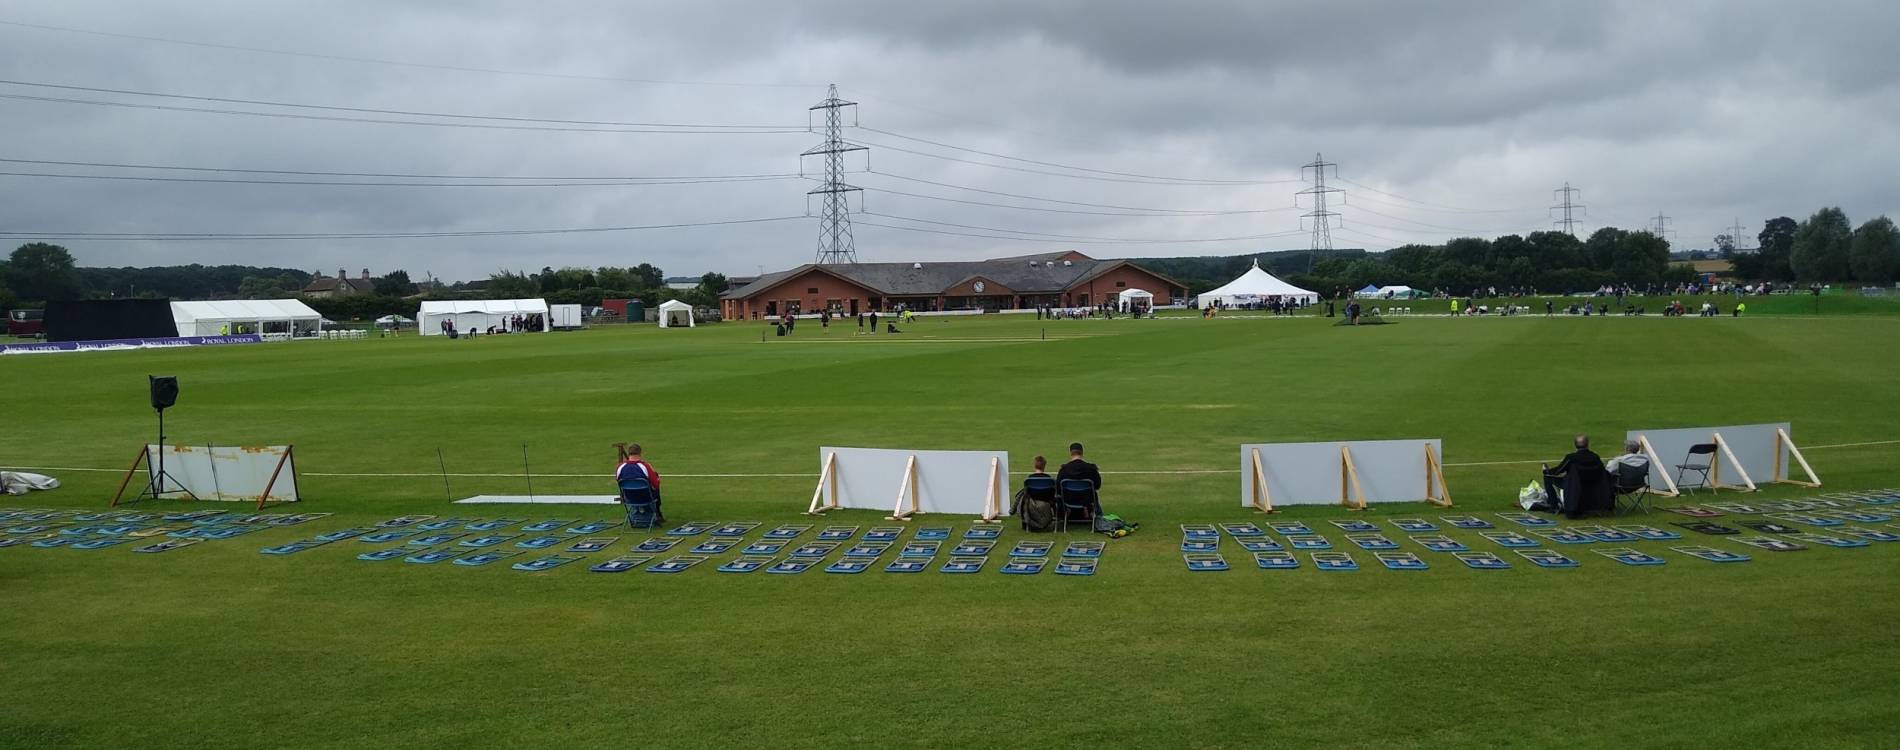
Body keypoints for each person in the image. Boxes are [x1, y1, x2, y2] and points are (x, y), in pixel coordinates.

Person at [1541, 435, 1603, 517]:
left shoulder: (1571, 458)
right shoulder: (1595, 457)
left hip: (1573, 485)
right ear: (1588, 444)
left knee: (1547, 478)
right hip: (1593, 484)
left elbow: (1558, 471)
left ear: (1575, 445)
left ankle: (1554, 507)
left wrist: (1546, 471)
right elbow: (1602, 471)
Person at [614, 442, 664, 525]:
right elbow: (655, 484)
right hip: (646, 497)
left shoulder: (620, 467)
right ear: (640, 453)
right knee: (655, 486)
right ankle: (656, 514)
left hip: (629, 497)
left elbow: (619, 482)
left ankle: (638, 515)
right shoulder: (645, 466)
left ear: (629, 453)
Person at [1055, 442, 1104, 518]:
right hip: (1087, 500)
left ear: (1070, 453)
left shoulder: (1063, 470)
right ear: (1082, 452)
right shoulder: (1091, 469)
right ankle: (1093, 513)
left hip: (1068, 499)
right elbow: (1097, 485)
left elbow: (1058, 489)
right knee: (1094, 493)